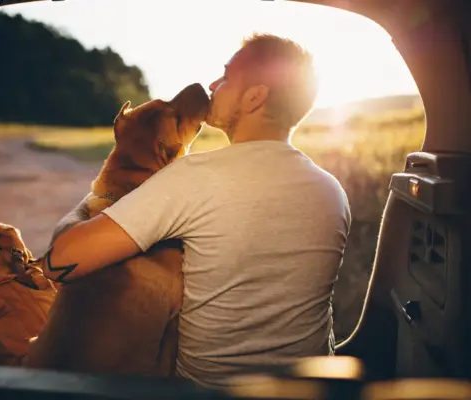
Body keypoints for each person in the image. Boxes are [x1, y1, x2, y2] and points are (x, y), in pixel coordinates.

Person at [45, 33, 351, 389]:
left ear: (255, 96)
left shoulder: (193, 178)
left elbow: (58, 262)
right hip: (306, 392)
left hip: (205, 392)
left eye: (226, 78)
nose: (212, 85)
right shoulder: (333, 190)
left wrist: (87, 208)